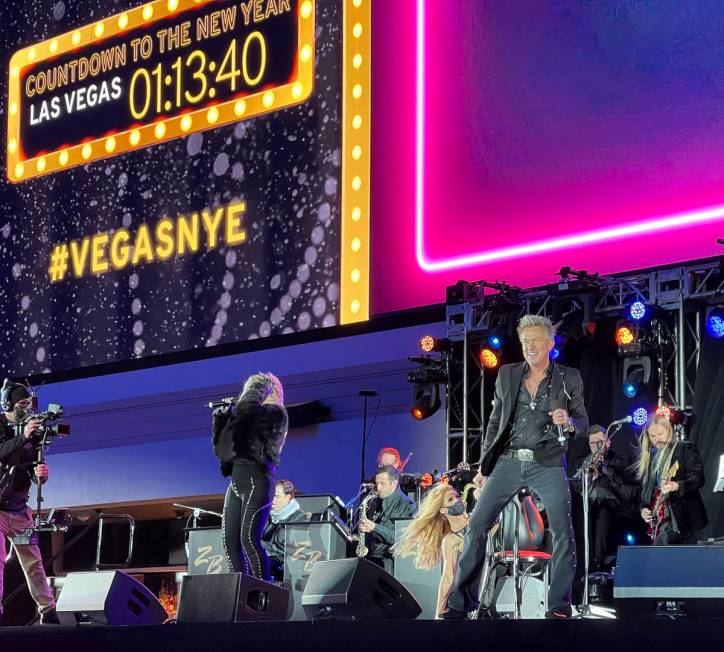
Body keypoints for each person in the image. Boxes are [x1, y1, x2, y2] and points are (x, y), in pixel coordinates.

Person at [444, 314, 589, 620]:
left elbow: (584, 422)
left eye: (536, 340)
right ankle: (460, 604)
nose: (530, 347)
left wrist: (570, 423)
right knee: (477, 526)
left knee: (563, 531)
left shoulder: (568, 377)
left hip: (547, 463)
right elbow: (495, 423)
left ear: (550, 344)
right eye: (525, 342)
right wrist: (485, 466)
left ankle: (558, 606)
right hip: (509, 460)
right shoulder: (508, 374)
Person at [213, 372, 288, 580]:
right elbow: (221, 449)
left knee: (248, 539)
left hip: (257, 479)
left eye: (254, 387)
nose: (248, 390)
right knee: (230, 541)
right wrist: (223, 417)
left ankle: (262, 593)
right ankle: (241, 593)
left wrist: (257, 387)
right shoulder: (247, 414)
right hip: (237, 480)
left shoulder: (276, 414)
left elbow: (248, 410)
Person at [0, 382, 58, 624]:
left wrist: (41, 473)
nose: (26, 409)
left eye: (28, 404)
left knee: (33, 561)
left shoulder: (32, 431)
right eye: (21, 404)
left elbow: (35, 467)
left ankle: (48, 609)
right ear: (8, 404)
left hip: (20, 510)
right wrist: (22, 435)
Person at [571, 425, 639, 572]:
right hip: (587, 507)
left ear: (608, 443)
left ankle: (597, 565)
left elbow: (627, 489)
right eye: (592, 443)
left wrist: (605, 470)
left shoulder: (620, 461)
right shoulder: (581, 462)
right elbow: (575, 488)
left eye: (600, 443)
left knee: (601, 513)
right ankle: (582, 563)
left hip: (612, 508)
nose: (596, 447)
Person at [396, 483, 469, 618]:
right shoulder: (450, 540)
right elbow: (448, 577)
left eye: (457, 496)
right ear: (443, 510)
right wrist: (438, 612)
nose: (457, 501)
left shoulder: (475, 517)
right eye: (450, 500)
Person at [637, 414, 707, 545]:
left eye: (660, 434)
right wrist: (643, 509)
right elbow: (645, 492)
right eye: (652, 436)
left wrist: (677, 485)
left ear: (669, 430)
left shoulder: (685, 448)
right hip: (660, 519)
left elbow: (698, 478)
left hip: (684, 517)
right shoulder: (651, 457)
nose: (657, 439)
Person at [358, 465, 416, 573]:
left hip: (392, 564)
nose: (378, 487)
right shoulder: (378, 501)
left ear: (394, 484)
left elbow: (402, 540)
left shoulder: (407, 505)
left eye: (382, 484)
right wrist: (368, 547)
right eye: (377, 483)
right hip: (376, 559)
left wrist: (375, 527)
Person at [261, 479, 307, 582]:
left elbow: (288, 551)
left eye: (277, 496)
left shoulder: (299, 518)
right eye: (272, 495)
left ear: (288, 498)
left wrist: (259, 545)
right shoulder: (268, 515)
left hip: (284, 570)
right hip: (267, 560)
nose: (272, 500)